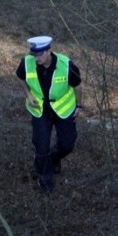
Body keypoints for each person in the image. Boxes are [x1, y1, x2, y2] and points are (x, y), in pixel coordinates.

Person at [16, 36, 82, 193]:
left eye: (40, 54)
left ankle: (53, 159)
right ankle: (45, 180)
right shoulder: (27, 63)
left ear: (49, 51)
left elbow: (78, 85)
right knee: (41, 146)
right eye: (34, 55)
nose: (36, 58)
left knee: (67, 144)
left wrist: (79, 105)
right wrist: (28, 95)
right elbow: (20, 77)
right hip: (40, 110)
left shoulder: (66, 65)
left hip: (63, 109)